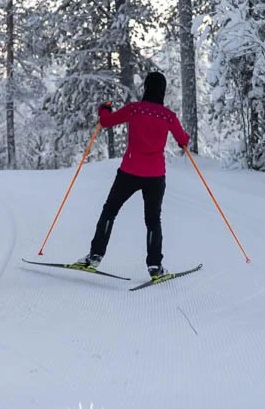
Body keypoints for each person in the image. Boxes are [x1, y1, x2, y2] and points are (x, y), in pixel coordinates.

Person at [77, 72, 190, 278]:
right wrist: (184, 139)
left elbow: (106, 122)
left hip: (129, 172)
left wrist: (104, 109)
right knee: (153, 220)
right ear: (163, 91)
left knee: (110, 211)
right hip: (155, 176)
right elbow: (183, 139)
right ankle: (155, 266)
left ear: (146, 87)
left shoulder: (135, 109)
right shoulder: (168, 116)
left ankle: (95, 256)